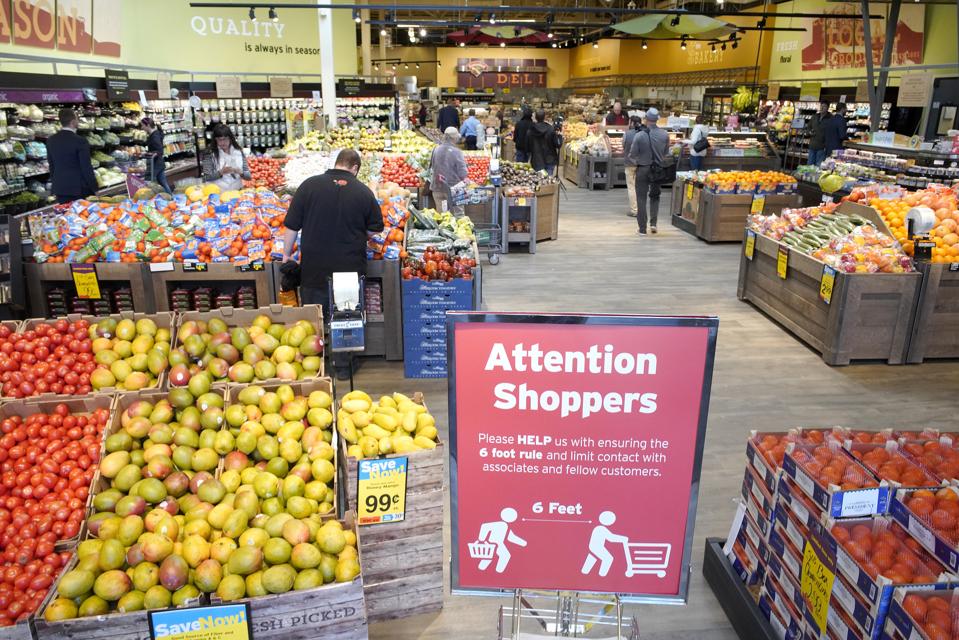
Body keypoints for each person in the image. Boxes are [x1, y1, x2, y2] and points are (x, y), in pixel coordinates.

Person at [282, 149, 383, 378]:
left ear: (336, 163)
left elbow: (291, 226)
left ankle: (313, 366)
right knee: (346, 316)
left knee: (314, 317)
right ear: (355, 168)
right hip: (349, 267)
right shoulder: (363, 192)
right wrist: (357, 231)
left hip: (314, 266)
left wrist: (286, 255)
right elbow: (375, 228)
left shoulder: (309, 186)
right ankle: (343, 367)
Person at [627, 107, 670, 235]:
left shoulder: (639, 135)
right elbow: (665, 153)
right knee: (655, 196)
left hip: (643, 168)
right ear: (657, 119)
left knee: (641, 198)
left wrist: (638, 162)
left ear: (646, 119)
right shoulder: (664, 135)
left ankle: (642, 229)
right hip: (657, 169)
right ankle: (653, 224)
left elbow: (632, 155)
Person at [46, 107, 98, 204]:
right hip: (78, 189)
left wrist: (55, 184)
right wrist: (94, 187)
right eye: (77, 119)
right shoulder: (80, 141)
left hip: (60, 188)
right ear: (73, 121)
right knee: (81, 216)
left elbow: (51, 165)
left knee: (66, 215)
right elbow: (86, 167)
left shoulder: (51, 140)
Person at [429, 127, 468, 215]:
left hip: (437, 188)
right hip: (454, 189)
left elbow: (431, 167)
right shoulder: (457, 152)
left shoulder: (435, 149)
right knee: (459, 215)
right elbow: (463, 173)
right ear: (454, 138)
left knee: (443, 215)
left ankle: (442, 228)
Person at [477, 508, 527, 574]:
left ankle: (482, 569)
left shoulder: (506, 526)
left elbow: (511, 537)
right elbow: (485, 526)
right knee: (505, 555)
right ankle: (498, 571)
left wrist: (523, 543)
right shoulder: (500, 524)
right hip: (492, 543)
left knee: (491, 556)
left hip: (498, 544)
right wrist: (481, 539)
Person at [202, 123, 250, 191]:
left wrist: (241, 172)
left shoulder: (238, 152)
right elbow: (206, 177)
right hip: (217, 194)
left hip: (237, 192)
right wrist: (221, 172)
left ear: (230, 138)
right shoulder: (209, 153)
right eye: (219, 139)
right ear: (215, 139)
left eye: (225, 139)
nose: (223, 142)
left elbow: (248, 177)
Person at [581, 511, 629, 578]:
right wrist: (623, 539)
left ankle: (585, 571)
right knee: (608, 558)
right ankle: (601, 575)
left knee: (593, 557)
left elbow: (610, 537)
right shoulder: (601, 528)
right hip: (597, 547)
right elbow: (611, 538)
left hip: (594, 547)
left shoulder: (599, 528)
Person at [140, 117, 172, 194]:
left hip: (155, 164)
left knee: (148, 183)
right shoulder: (156, 133)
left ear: (147, 125)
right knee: (163, 183)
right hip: (159, 163)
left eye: (142, 125)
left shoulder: (154, 136)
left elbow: (159, 151)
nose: (142, 128)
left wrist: (146, 154)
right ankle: (171, 198)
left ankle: (152, 200)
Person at [623, 114, 645, 218]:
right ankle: (641, 208)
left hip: (629, 163)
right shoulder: (644, 134)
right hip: (641, 164)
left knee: (631, 187)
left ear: (632, 123)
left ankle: (635, 210)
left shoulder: (627, 134)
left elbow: (624, 146)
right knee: (640, 187)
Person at [527, 109, 561, 175]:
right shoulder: (551, 129)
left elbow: (528, 147)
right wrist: (559, 136)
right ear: (544, 117)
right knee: (548, 182)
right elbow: (557, 144)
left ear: (536, 118)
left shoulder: (531, 130)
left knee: (538, 182)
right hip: (550, 159)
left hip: (536, 160)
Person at [806, 101, 830, 166]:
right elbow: (808, 127)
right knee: (809, 164)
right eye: (821, 106)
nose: (822, 108)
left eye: (824, 106)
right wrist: (809, 132)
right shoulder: (815, 117)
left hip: (822, 147)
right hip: (812, 145)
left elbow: (831, 133)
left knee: (818, 165)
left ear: (828, 108)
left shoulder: (830, 118)